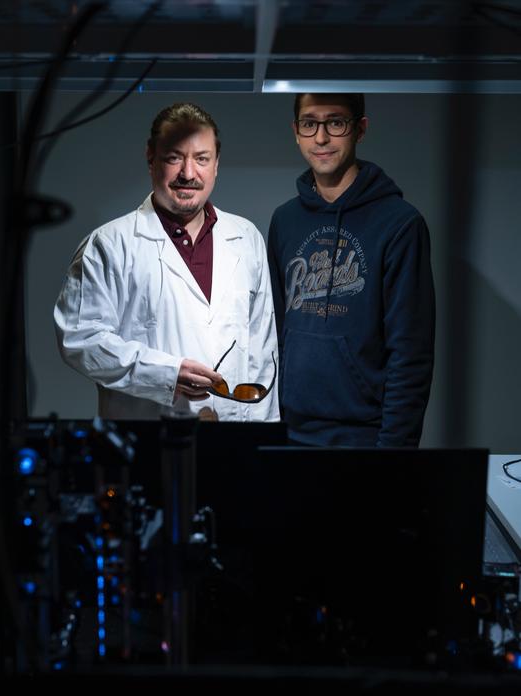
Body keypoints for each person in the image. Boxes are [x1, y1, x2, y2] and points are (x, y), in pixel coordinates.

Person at [54, 102, 279, 421]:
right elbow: (80, 339)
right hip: (149, 439)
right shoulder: (109, 244)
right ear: (151, 158)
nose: (188, 174)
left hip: (234, 442)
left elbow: (262, 353)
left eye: (202, 159)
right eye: (174, 158)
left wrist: (259, 446)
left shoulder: (246, 237)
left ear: (216, 164)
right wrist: (165, 374)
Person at [268, 93, 434, 446]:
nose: (322, 137)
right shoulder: (285, 221)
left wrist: (392, 457)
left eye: (336, 122)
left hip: (365, 441)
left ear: (360, 129)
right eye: (310, 123)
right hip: (289, 435)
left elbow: (411, 354)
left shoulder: (401, 225)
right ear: (296, 131)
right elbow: (276, 334)